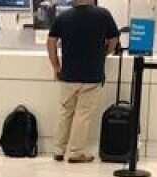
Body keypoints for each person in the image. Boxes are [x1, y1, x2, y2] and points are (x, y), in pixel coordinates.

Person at [46, 0, 119, 163]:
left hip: (68, 75)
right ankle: (76, 152)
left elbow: (51, 41)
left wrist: (56, 65)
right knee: (83, 114)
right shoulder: (103, 14)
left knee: (65, 111)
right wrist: (104, 53)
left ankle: (58, 150)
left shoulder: (64, 17)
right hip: (92, 75)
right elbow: (114, 39)